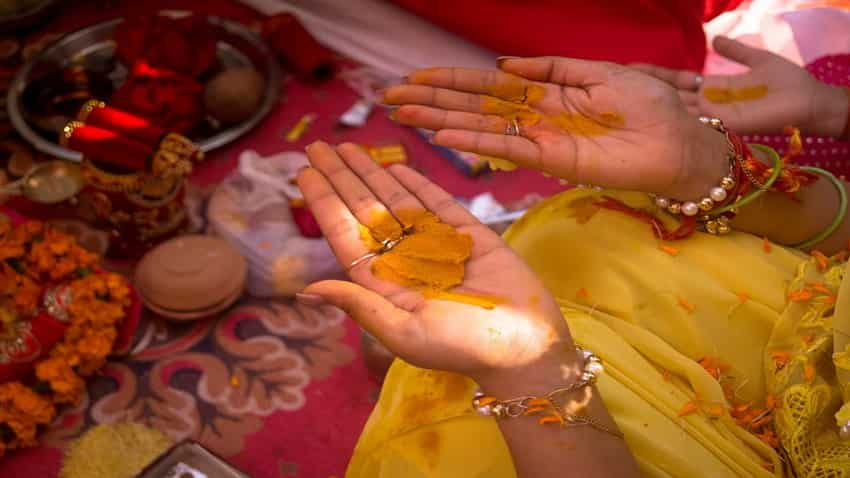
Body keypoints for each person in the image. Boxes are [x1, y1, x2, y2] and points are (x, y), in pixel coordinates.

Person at [295, 56, 850, 477]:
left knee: (447, 427)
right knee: (576, 232)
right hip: (799, 305)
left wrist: (530, 373)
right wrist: (703, 167)